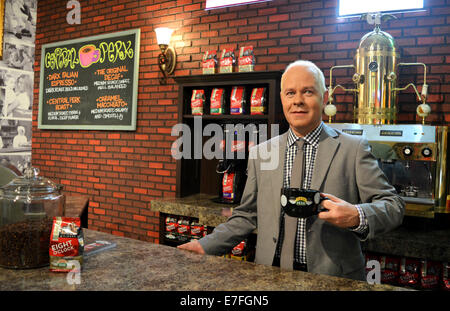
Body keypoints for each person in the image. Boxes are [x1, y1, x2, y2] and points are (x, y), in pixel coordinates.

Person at [178, 60, 405, 281]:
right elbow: (246, 215)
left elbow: (393, 205)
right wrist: (205, 245)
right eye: (290, 93)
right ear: (281, 99)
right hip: (270, 276)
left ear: (323, 97)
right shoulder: (261, 152)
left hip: (333, 279)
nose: (298, 101)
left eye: (307, 92)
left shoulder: (353, 149)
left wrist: (357, 215)